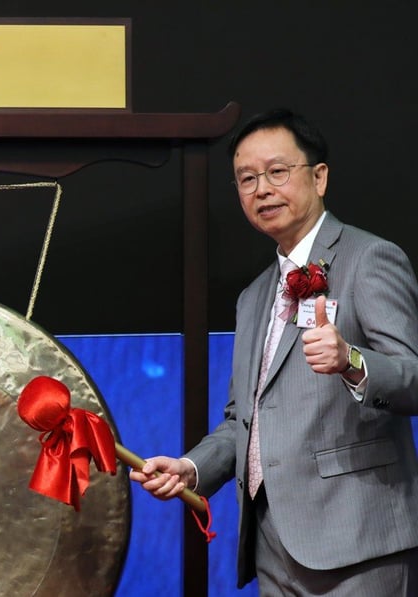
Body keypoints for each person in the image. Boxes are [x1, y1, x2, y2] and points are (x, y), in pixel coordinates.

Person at [131, 109, 418, 595]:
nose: (262, 189)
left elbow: (412, 377)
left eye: (277, 172)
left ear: (319, 177)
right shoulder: (254, 297)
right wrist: (193, 467)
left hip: (359, 541)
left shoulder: (369, 259)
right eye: (247, 178)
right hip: (273, 545)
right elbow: (241, 418)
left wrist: (351, 360)